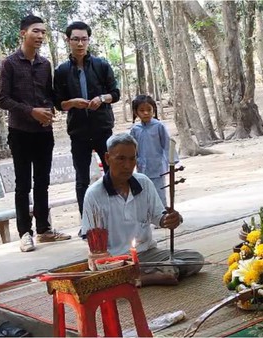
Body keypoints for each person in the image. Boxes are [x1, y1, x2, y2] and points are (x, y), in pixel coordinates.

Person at [81, 133, 203, 286]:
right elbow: (93, 241)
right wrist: (105, 261)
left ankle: (139, 276)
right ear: (107, 158)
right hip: (115, 261)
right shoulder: (94, 194)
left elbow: (160, 217)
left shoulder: (143, 183)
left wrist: (170, 219)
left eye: (132, 158)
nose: (127, 165)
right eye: (121, 158)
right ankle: (147, 277)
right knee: (100, 276)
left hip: (147, 254)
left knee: (195, 259)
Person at [0, 15, 71, 253]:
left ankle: (44, 230)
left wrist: (48, 109)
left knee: (42, 183)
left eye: (43, 33)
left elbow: (48, 94)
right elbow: (2, 99)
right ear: (23, 33)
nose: (40, 36)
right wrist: (31, 112)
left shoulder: (45, 64)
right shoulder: (9, 64)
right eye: (35, 31)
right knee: (23, 185)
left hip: (43, 133)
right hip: (20, 132)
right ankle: (24, 233)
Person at [54, 21, 120, 224]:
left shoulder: (101, 65)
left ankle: (116, 217)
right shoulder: (62, 71)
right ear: (68, 41)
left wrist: (102, 99)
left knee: (112, 173)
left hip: (102, 128)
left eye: (84, 39)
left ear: (89, 40)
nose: (80, 43)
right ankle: (87, 223)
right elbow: (58, 104)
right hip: (79, 132)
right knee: (82, 179)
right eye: (75, 39)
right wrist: (73, 102)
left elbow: (115, 94)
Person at [129, 95, 177, 208]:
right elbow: (131, 148)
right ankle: (148, 216)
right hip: (142, 167)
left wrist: (172, 161)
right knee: (144, 192)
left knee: (159, 191)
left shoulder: (159, 126)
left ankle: (162, 215)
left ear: (153, 110)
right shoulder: (135, 129)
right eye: (142, 110)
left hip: (158, 166)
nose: (146, 113)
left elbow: (167, 144)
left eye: (149, 110)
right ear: (136, 112)